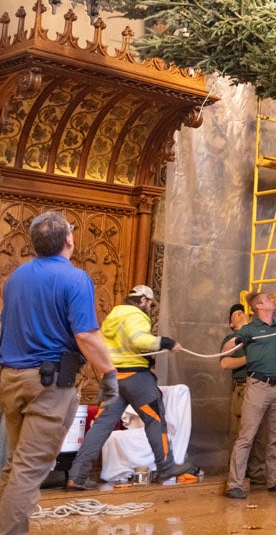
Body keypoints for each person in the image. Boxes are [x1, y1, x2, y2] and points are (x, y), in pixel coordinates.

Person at [0, 211, 118, 535]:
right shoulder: (75, 278)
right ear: (69, 239)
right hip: (47, 387)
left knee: (15, 465)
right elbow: (86, 336)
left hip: (11, 380)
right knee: (27, 470)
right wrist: (109, 373)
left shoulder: (16, 279)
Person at [67, 285, 191, 489]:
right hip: (136, 378)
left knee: (101, 426)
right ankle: (166, 467)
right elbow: (138, 340)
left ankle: (77, 476)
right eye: (149, 303)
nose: (149, 307)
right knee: (155, 420)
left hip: (111, 377)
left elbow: (111, 345)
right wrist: (167, 343)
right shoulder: (136, 314)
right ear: (143, 300)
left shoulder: (113, 315)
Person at [223, 291, 276, 499]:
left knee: (274, 438)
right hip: (257, 386)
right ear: (260, 306)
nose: (274, 299)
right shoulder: (249, 329)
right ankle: (234, 484)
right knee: (246, 436)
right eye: (269, 298)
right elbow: (225, 352)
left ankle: (274, 480)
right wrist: (237, 340)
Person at [220, 303, 269, 485]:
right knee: (240, 432)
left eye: (241, 310)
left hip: (263, 387)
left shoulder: (261, 334)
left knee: (261, 432)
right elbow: (224, 364)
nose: (238, 312)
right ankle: (236, 475)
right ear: (231, 324)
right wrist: (249, 358)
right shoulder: (231, 339)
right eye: (234, 313)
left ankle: (257, 473)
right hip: (242, 387)